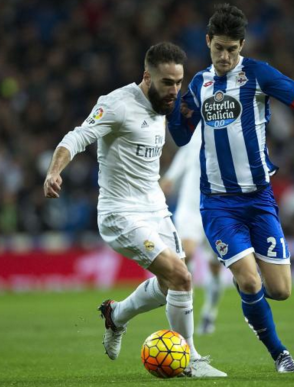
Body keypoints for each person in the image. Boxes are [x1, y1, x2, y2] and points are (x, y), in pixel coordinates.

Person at [166, 4, 294, 373]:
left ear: (242, 45)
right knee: (247, 278)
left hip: (260, 200)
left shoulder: (258, 75)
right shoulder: (199, 84)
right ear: (208, 42)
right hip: (217, 203)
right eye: (219, 48)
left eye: (233, 49)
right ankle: (280, 354)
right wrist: (173, 111)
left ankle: (256, 312)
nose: (225, 56)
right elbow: (182, 136)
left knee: (279, 291)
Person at [43, 42, 226, 377]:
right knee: (182, 277)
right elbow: (77, 137)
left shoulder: (167, 103)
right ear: (146, 77)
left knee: (171, 283)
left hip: (156, 207)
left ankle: (117, 315)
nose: (174, 90)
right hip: (120, 213)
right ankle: (189, 360)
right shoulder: (117, 105)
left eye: (178, 82)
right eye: (167, 83)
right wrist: (55, 171)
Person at [161, 125, 225, 335]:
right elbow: (186, 152)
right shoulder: (197, 129)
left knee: (214, 267)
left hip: (215, 211)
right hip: (189, 209)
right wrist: (170, 177)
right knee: (185, 256)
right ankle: (186, 313)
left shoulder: (227, 133)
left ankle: (210, 313)